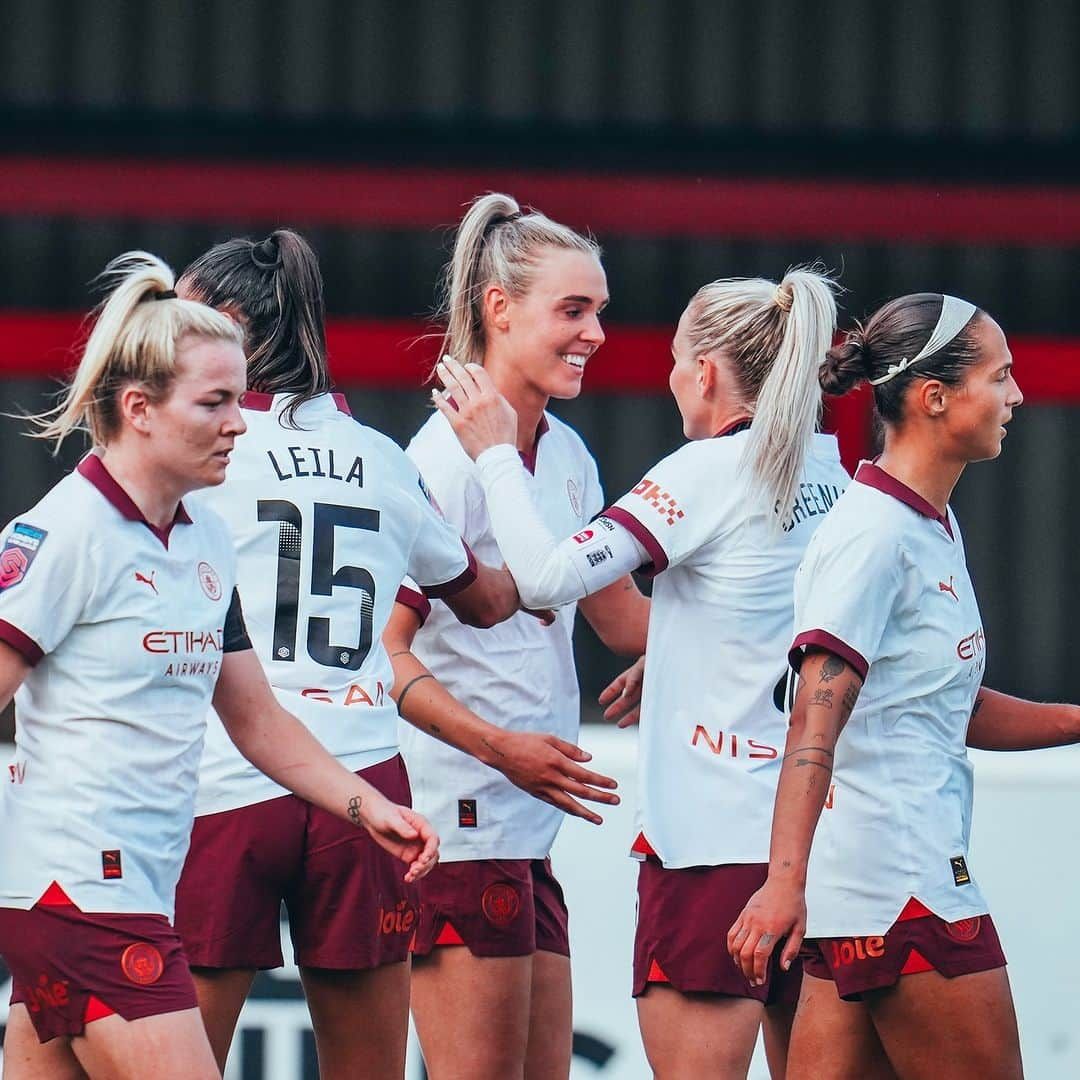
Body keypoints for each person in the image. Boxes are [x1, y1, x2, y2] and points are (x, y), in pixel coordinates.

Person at [170, 229, 618, 1079]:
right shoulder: (382, 459)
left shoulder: (200, 454)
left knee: (178, 1060)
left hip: (229, 779)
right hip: (367, 786)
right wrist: (531, 523)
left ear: (227, 328)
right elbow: (489, 600)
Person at [0, 252, 438, 1080]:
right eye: (216, 402)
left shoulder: (201, 536)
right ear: (139, 409)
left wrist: (366, 804)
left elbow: (259, 719)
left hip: (128, 895)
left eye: (241, 397)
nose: (243, 423)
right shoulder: (67, 533)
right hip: (82, 900)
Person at [434, 264, 848, 1079]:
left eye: (669, 362)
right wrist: (680, 650)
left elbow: (550, 578)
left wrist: (492, 456)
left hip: (711, 844)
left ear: (704, 372)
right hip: (824, 843)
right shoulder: (834, 473)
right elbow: (791, 632)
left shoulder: (706, 469)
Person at [726, 293, 1080, 1079]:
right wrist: (782, 885)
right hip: (907, 886)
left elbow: (945, 708)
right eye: (1001, 376)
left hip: (865, 887)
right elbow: (813, 727)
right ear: (934, 397)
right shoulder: (874, 536)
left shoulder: (927, 523)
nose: (1017, 396)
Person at [402, 194, 651, 1079]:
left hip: (525, 833)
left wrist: (707, 654)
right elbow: (382, 655)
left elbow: (622, 619)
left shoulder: (570, 455)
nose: (595, 333)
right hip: (458, 824)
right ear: (498, 310)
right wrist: (500, 748)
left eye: (600, 312)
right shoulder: (440, 459)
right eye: (573, 310)